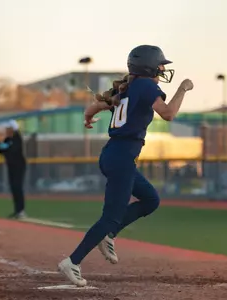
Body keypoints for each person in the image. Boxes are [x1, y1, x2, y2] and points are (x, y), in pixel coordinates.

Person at [58, 45, 194, 287]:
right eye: (160, 64)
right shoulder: (145, 86)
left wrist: (88, 118)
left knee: (151, 199)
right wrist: (183, 88)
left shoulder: (126, 87)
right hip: (121, 156)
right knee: (110, 217)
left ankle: (109, 235)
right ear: (149, 66)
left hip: (115, 154)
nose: (163, 69)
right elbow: (169, 114)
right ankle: (73, 261)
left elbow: (95, 107)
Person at [0, 120, 27, 219]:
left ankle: (21, 210)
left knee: (17, 186)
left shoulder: (17, 138)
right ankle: (17, 210)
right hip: (11, 165)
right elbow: (2, 150)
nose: (6, 130)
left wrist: (1, 145)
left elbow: (10, 149)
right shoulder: (8, 139)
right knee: (13, 187)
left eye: (8, 128)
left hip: (19, 165)